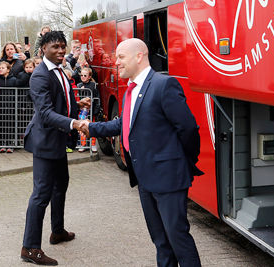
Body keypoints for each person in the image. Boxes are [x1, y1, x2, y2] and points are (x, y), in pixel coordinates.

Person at [78, 38, 203, 267]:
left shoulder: (164, 85)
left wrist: (183, 162)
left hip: (168, 178)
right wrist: (90, 126)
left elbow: (188, 129)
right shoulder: (132, 89)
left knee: (178, 240)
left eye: (121, 57)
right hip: (144, 179)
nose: (116, 62)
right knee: (161, 242)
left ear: (139, 56)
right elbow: (123, 125)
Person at [21, 31, 90, 266]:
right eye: (55, 47)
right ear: (43, 50)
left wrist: (77, 104)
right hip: (46, 143)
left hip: (59, 141)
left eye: (63, 46)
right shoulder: (40, 76)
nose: (61, 50)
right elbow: (46, 113)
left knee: (61, 185)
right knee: (41, 195)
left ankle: (57, 231)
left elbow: (63, 100)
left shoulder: (61, 71)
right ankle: (30, 248)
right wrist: (75, 123)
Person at [0, 61, 17, 153]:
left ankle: (11, 144)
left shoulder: (14, 80)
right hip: (0, 105)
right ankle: (2, 144)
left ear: (8, 70)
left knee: (10, 124)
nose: (0, 69)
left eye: (3, 68)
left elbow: (17, 94)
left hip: (11, 106)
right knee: (2, 124)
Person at [76, 67, 100, 153]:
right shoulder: (78, 85)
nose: (82, 77)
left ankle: (93, 144)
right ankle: (83, 144)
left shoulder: (93, 85)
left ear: (89, 76)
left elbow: (97, 98)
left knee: (92, 127)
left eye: (85, 75)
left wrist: (96, 110)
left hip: (91, 110)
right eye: (81, 75)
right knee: (81, 127)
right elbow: (77, 98)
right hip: (82, 111)